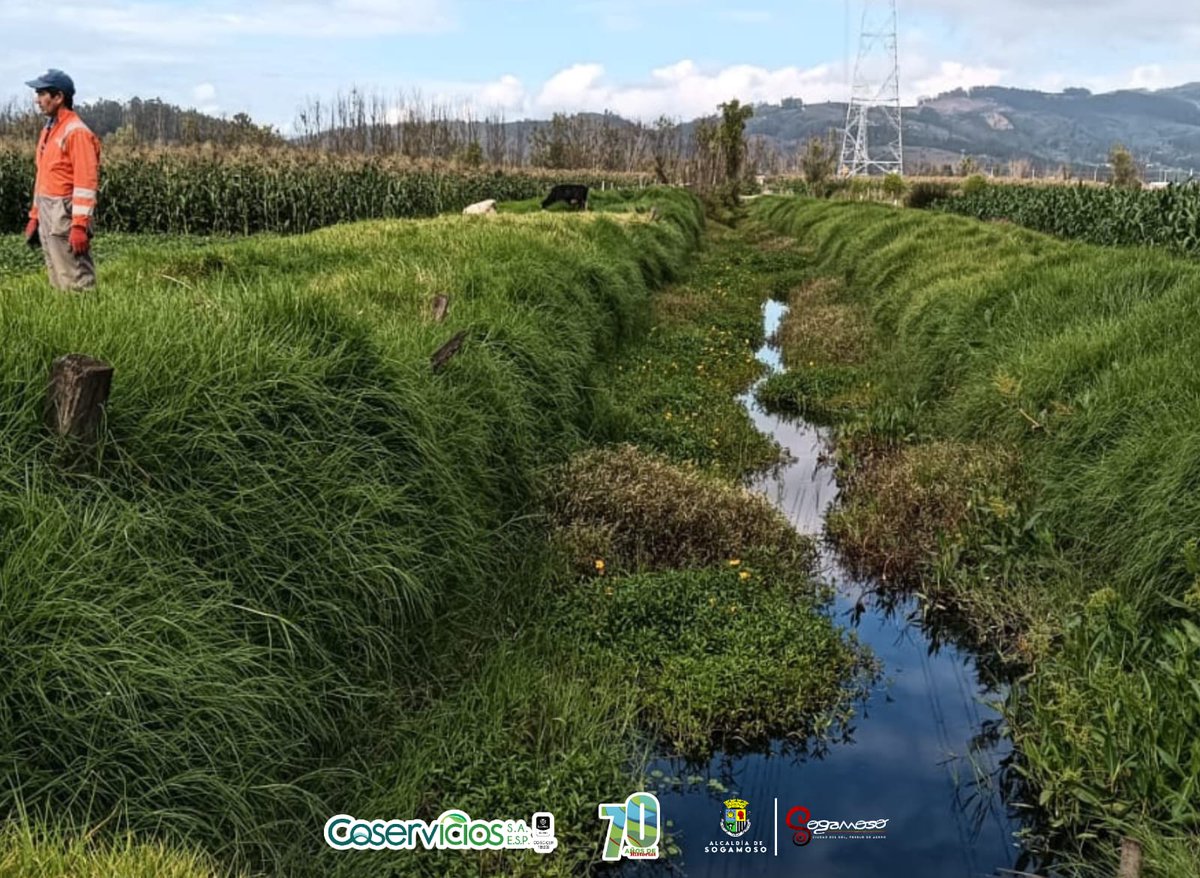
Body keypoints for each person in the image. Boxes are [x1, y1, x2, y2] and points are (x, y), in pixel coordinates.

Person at [23, 69, 101, 290]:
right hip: (48, 211)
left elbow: (86, 183)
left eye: (42, 93)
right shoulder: (49, 131)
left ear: (58, 97)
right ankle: (68, 322)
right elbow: (44, 177)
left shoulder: (76, 133)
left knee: (76, 280)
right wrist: (35, 215)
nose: (37, 100)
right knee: (58, 277)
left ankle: (87, 322)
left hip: (64, 213)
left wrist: (79, 226)